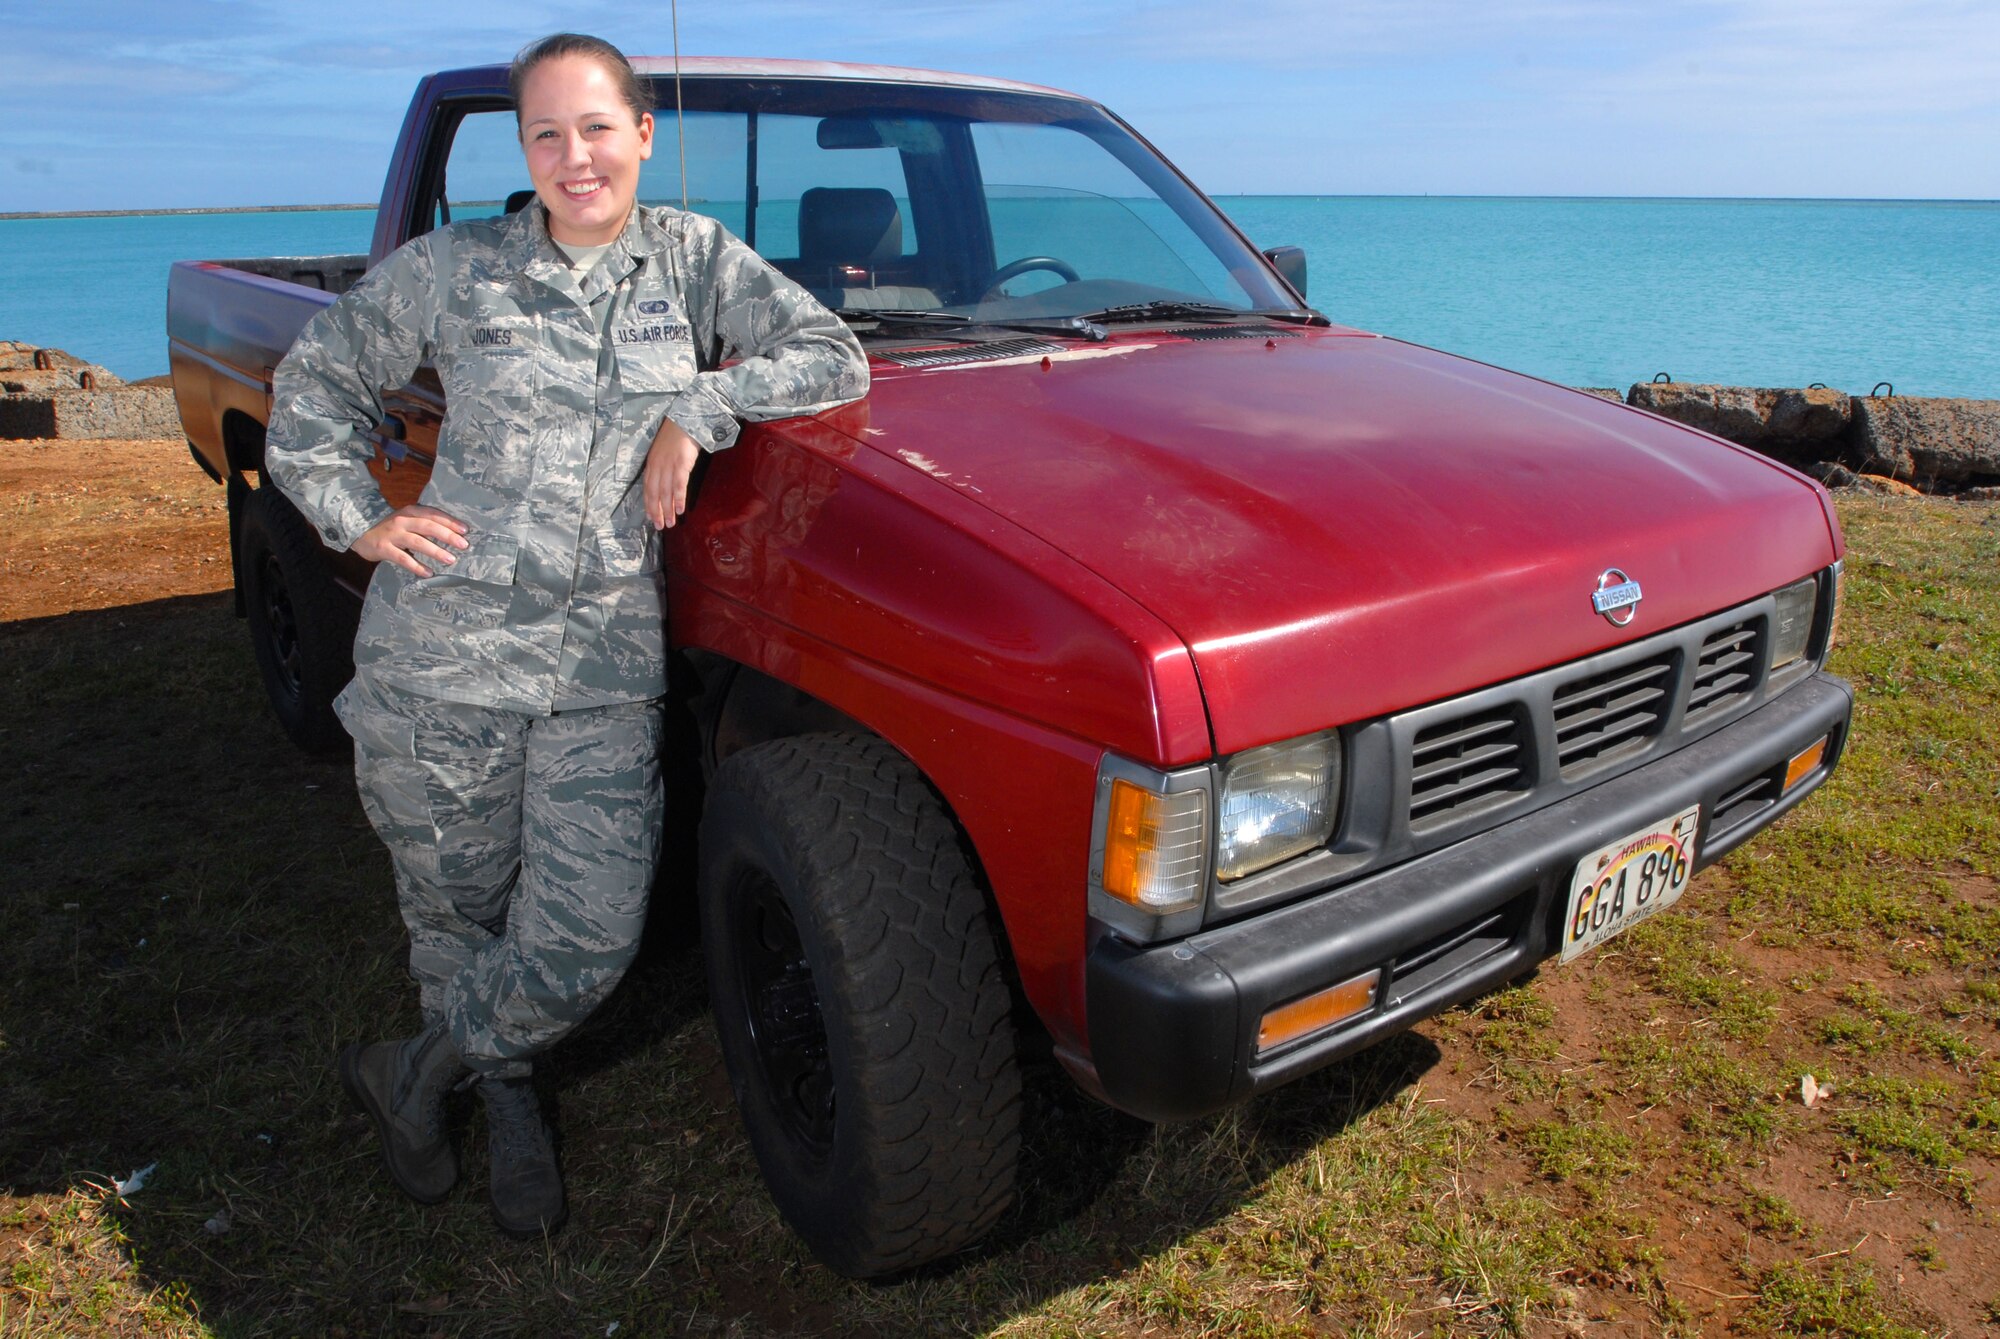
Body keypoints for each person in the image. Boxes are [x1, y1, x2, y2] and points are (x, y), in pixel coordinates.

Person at [266, 32, 868, 1237]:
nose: (572, 155)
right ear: (523, 148)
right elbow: (313, 382)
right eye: (545, 132)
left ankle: (417, 1072)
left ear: (642, 134)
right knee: (458, 914)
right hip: (440, 660)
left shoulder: (691, 259)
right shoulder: (455, 269)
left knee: (589, 937)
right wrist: (361, 519)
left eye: (596, 127)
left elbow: (827, 352)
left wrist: (699, 407)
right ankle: (503, 1092)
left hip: (598, 665)